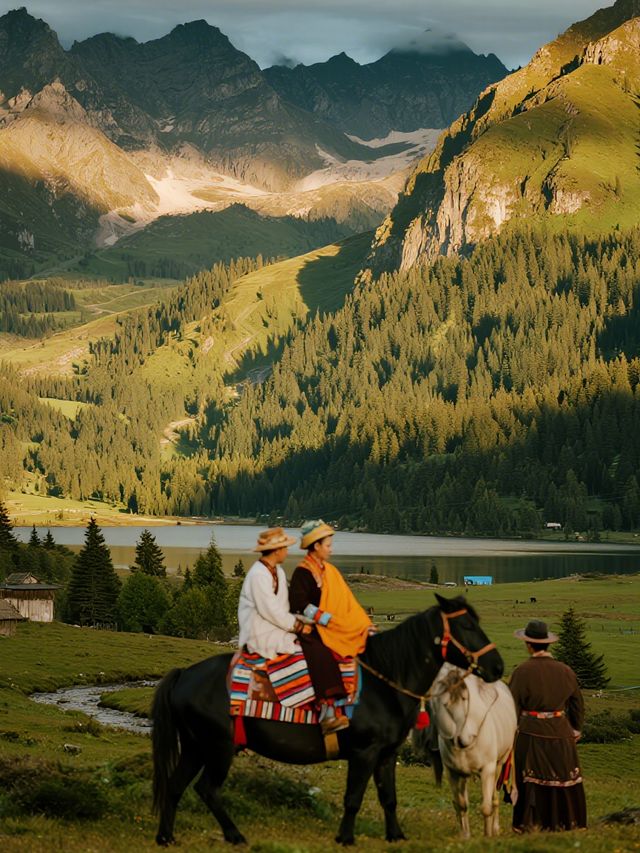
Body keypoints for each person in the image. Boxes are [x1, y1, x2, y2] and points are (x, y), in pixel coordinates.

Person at [289, 520, 373, 734]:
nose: (331, 549)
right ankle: (328, 711)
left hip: (334, 626)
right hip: (312, 627)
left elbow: (347, 603)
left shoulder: (330, 571)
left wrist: (361, 623)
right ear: (316, 546)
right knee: (323, 656)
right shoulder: (303, 572)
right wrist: (324, 618)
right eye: (328, 545)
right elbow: (297, 603)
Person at [509, 619, 587, 833]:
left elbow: (511, 706)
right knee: (564, 778)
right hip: (562, 732)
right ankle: (567, 822)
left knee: (529, 780)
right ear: (547, 643)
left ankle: (528, 823)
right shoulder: (566, 671)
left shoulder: (521, 672)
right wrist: (576, 728)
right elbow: (577, 703)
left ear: (528, 644)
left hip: (529, 732)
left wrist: (510, 733)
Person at [238, 528, 310, 659]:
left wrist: (305, 620)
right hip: (260, 631)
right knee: (302, 656)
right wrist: (298, 626)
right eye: (285, 548)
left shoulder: (278, 571)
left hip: (273, 625)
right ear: (277, 551)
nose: (287, 552)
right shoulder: (258, 575)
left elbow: (282, 607)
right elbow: (270, 610)